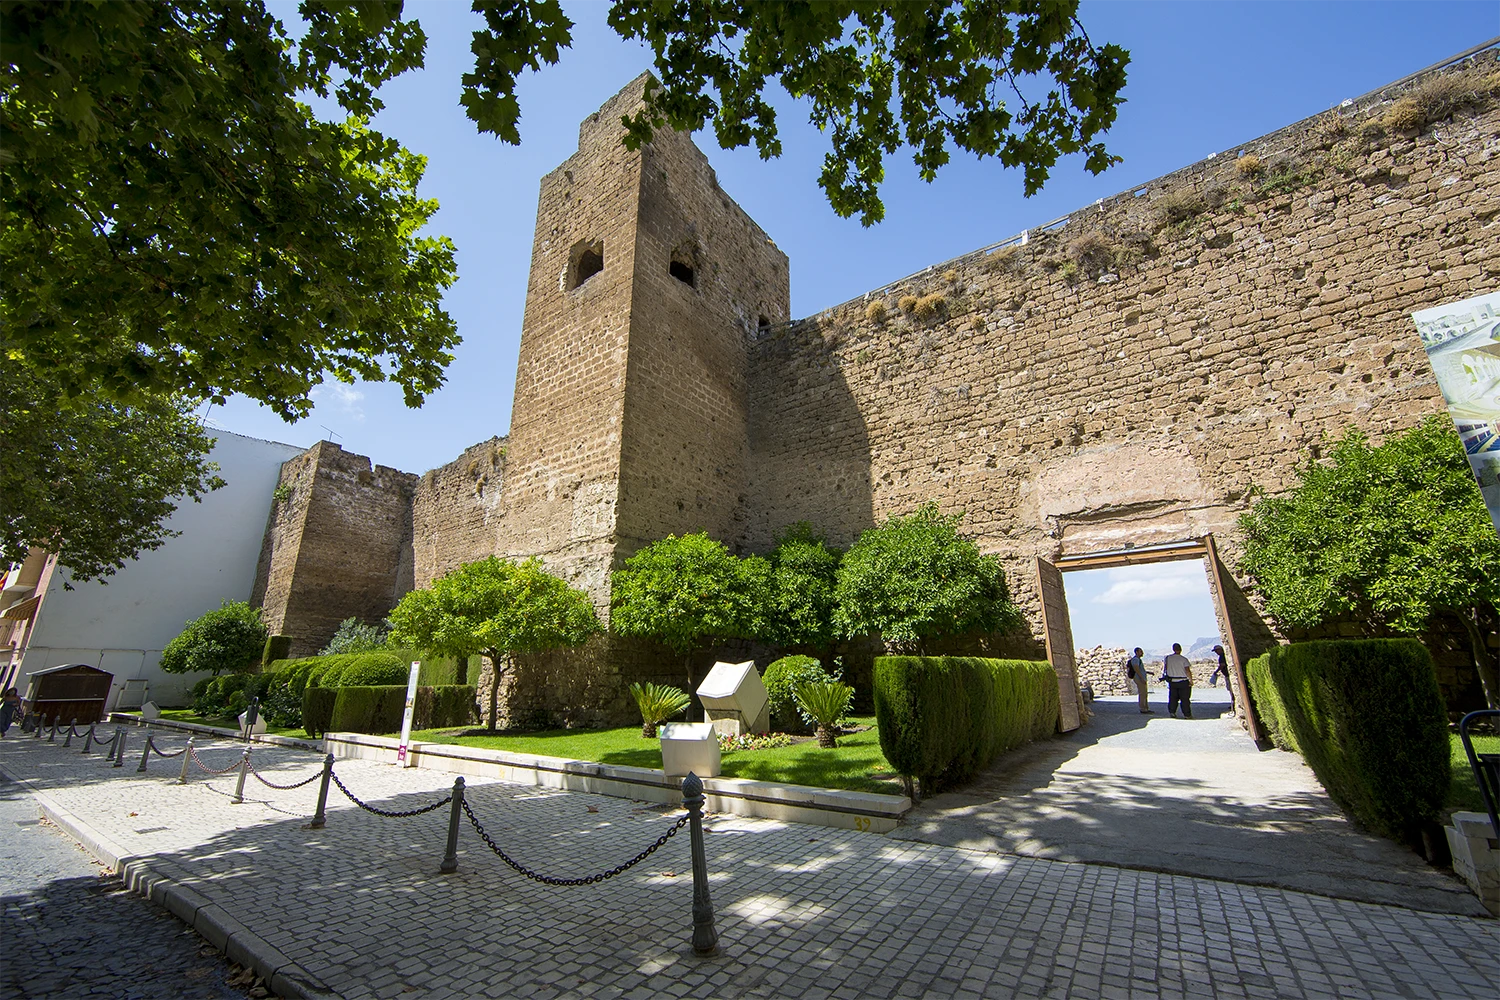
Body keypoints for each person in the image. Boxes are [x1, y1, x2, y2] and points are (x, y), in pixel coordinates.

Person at [1161, 643, 1194, 719]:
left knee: (1173, 698)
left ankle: (1172, 712)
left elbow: (1166, 668)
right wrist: (1191, 680)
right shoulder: (1184, 659)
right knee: (1185, 699)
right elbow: (1187, 670)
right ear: (1181, 649)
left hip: (1172, 681)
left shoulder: (1168, 658)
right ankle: (1187, 714)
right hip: (1182, 680)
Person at [1124, 647, 1152, 714]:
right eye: (1141, 651)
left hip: (1140, 677)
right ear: (1136, 652)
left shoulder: (1138, 660)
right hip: (1139, 678)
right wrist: (1142, 678)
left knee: (1144, 693)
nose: (1142, 653)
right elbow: (1137, 669)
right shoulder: (1136, 660)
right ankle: (1143, 708)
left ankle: (1145, 707)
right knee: (1142, 693)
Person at [1209, 644, 1235, 710]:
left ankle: (1234, 704)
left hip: (1228, 675)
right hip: (1227, 675)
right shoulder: (1224, 656)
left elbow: (1222, 665)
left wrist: (1216, 671)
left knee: (1231, 690)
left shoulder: (1222, 656)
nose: (1216, 652)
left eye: (1216, 651)